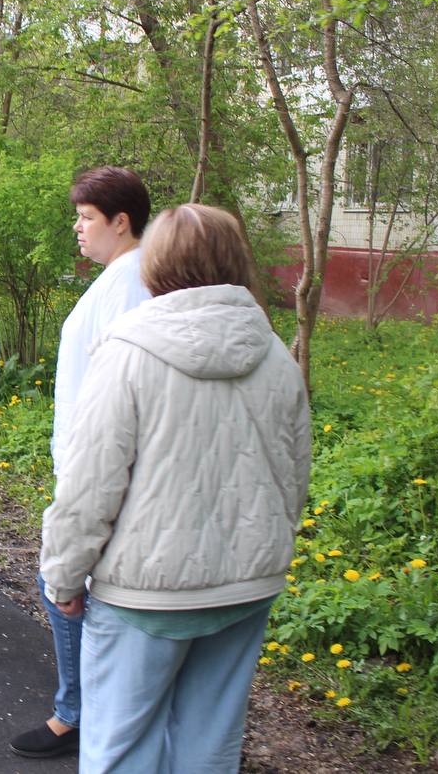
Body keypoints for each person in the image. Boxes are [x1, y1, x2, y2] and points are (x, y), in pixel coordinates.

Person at [40, 204, 311, 773]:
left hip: (145, 593)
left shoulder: (126, 352)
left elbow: (89, 485)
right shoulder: (276, 355)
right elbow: (294, 476)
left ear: (155, 264)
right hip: (245, 588)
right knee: (209, 748)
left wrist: (63, 573)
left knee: (120, 749)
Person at [9, 166, 153, 760]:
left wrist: (87, 478)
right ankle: (89, 708)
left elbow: (119, 392)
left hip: (100, 468)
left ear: (121, 222)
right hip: (86, 462)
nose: (77, 227)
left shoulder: (133, 284)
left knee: (66, 585)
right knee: (75, 588)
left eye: (87, 217)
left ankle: (79, 714)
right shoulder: (121, 276)